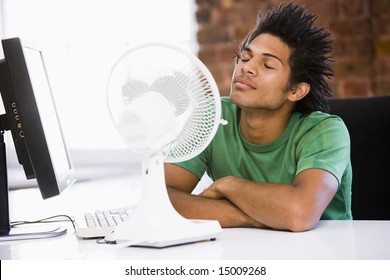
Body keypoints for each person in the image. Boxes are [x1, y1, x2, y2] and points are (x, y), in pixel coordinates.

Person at [165, 3, 352, 232]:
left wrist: (228, 186)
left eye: (267, 65)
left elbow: (299, 214)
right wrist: (250, 217)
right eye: (244, 58)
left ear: (295, 90)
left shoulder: (325, 132)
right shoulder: (212, 116)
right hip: (244, 254)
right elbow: (161, 199)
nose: (247, 68)